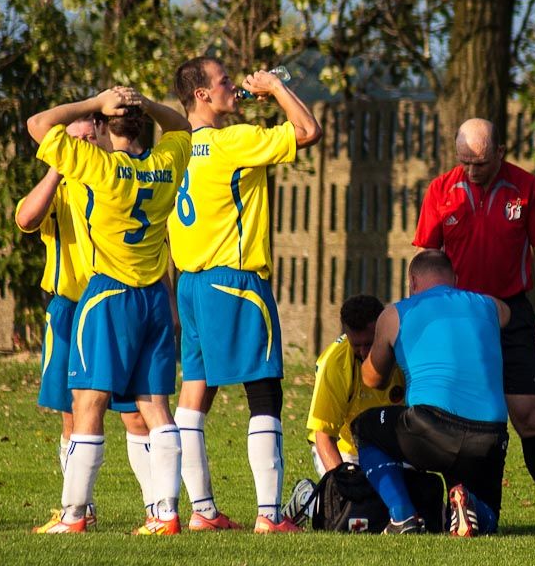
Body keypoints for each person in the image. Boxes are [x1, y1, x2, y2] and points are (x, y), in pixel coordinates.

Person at [27, 87, 192, 534]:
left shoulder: (100, 168)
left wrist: (97, 100)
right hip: (155, 298)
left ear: (103, 125)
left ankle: (74, 515)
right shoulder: (165, 163)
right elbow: (181, 125)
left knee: (88, 403)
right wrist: (149, 105)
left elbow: (38, 124)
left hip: (109, 295)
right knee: (156, 406)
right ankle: (165, 514)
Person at [169, 56, 322, 533]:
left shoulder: (173, 149)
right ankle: (270, 515)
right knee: (264, 390)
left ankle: (203, 511)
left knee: (196, 391)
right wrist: (274, 87)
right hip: (234, 280)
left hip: (190, 283)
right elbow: (307, 130)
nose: (233, 87)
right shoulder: (232, 142)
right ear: (201, 95)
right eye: (224, 82)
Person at [413, 118, 535, 533]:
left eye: (481, 163)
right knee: (460, 414)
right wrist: (424, 318)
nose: (471, 171)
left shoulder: (525, 188)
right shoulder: (439, 191)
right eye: (464, 162)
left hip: (512, 313)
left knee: (528, 415)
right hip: (459, 320)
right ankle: (464, 510)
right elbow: (425, 260)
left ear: (500, 152)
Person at [352, 250, 511, 536]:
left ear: (412, 281)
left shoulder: (396, 313)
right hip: (490, 435)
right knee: (487, 518)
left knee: (365, 427)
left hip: (433, 427)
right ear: (455, 280)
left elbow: (372, 377)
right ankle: (468, 503)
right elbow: (506, 313)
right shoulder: (488, 306)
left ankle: (402, 516)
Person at [307, 295, 405, 477]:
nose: (364, 352)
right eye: (356, 345)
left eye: (370, 343)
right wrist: (342, 482)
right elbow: (323, 437)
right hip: (347, 451)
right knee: (352, 500)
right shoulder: (335, 364)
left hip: (394, 448)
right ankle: (307, 497)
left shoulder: (403, 354)